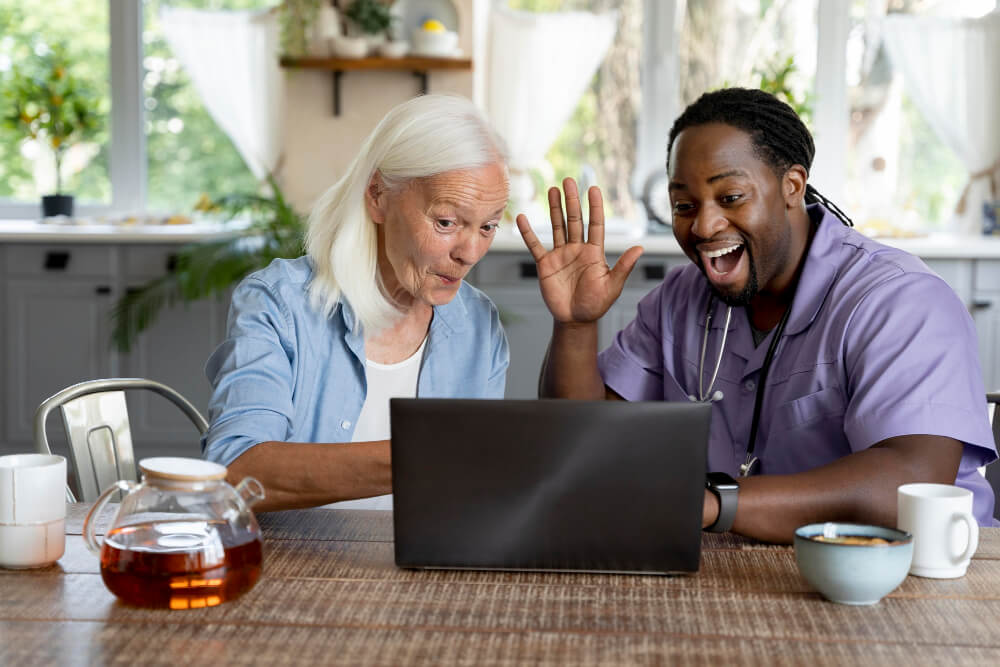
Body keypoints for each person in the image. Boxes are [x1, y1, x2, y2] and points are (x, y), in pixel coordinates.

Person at [516, 87, 998, 543]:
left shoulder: (898, 301)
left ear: (792, 185)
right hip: (738, 568)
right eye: (684, 205)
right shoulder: (680, 298)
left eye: (730, 198)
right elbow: (582, 441)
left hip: (924, 577)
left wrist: (712, 504)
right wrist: (575, 326)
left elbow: (908, 483)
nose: (703, 225)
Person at [202, 94, 511, 511]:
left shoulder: (477, 323)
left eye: (488, 226)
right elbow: (236, 471)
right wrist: (433, 454)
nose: (470, 252)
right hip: (294, 569)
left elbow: (475, 497)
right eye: (446, 222)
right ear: (378, 195)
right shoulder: (279, 304)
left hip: (427, 569)